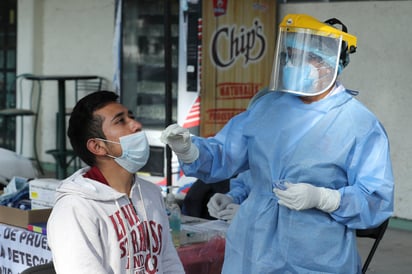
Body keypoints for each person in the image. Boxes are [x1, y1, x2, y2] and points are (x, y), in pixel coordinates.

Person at [161, 14, 394, 273]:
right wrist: (190, 150)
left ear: (328, 64)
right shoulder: (268, 106)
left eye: (303, 57)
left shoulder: (359, 124)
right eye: (289, 55)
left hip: (314, 257)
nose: (291, 64)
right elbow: (226, 155)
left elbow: (376, 200)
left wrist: (324, 198)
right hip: (250, 249)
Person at [47, 91, 184, 274]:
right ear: (98, 146)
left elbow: (168, 262)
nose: (136, 125)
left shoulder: (150, 194)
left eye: (131, 117)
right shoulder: (74, 208)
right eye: (120, 121)